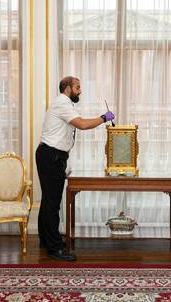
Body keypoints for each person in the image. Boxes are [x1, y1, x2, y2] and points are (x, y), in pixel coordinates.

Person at [36, 76, 114, 261]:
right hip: (51, 156)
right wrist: (104, 117)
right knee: (52, 203)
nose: (80, 90)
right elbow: (83, 124)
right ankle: (55, 249)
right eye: (77, 87)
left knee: (48, 201)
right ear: (67, 88)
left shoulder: (65, 104)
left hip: (52, 156)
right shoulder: (62, 104)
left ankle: (47, 241)